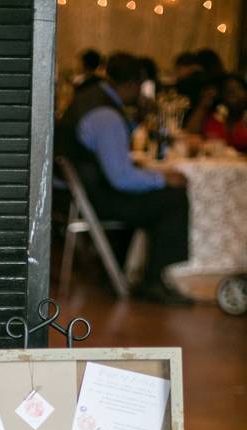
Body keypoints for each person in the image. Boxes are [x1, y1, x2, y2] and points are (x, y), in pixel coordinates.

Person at [56, 52, 191, 306]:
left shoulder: (90, 98)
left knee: (149, 191)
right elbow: (121, 178)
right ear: (132, 84)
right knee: (172, 198)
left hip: (71, 193)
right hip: (90, 198)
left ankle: (123, 267)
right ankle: (154, 279)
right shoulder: (106, 115)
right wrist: (162, 179)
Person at [200, 74, 247, 153]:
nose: (234, 94)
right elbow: (189, 134)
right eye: (229, 91)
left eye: (238, 89)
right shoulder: (212, 118)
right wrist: (203, 105)